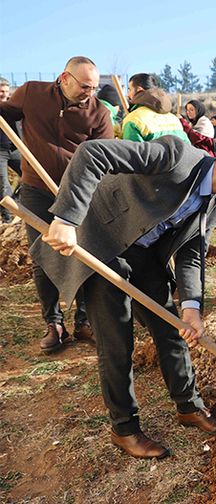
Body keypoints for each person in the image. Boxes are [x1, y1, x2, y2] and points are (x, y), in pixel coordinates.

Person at [33, 136, 216, 459]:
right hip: (104, 242)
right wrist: (66, 219)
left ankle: (189, 406)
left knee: (170, 327)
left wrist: (192, 307)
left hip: (143, 251)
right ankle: (125, 429)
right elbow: (94, 152)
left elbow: (192, 250)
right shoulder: (176, 156)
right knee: (117, 340)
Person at [0, 56, 113, 352]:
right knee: (41, 255)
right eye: (85, 86)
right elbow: (6, 113)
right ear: (64, 78)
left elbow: (106, 158)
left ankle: (85, 322)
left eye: (94, 87)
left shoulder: (99, 113)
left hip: (78, 194)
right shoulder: (32, 93)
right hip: (36, 188)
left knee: (85, 254)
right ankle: (54, 324)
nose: (90, 92)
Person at [122, 73, 189, 143]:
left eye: (130, 90)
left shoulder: (134, 119)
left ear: (139, 90)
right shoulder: (174, 119)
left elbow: (132, 151)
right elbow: (187, 148)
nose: (128, 95)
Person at [0, 77, 22, 223]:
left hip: (15, 149)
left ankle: (16, 202)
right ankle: (7, 218)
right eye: (1, 91)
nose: (4, 94)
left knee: (31, 177)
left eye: (6, 91)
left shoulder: (12, 106)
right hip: (0, 152)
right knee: (3, 184)